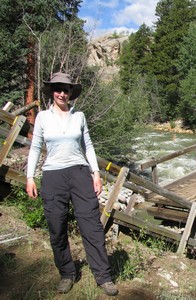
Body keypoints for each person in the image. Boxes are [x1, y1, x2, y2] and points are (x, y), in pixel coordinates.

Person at [26, 72, 118, 296]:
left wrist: (95, 172)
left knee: (92, 226)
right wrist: (30, 177)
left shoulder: (80, 116)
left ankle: (103, 277)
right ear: (52, 92)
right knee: (56, 227)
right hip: (53, 176)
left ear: (70, 94)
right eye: (57, 89)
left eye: (65, 90)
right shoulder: (43, 118)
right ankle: (67, 273)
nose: (61, 93)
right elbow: (36, 148)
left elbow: (88, 145)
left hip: (79, 174)